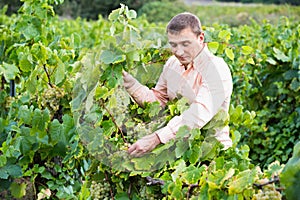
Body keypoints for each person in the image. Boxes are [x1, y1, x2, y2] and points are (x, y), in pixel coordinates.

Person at [123, 12, 233, 157]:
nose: (178, 52)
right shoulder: (172, 64)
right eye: (173, 45)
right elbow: (159, 101)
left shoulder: (217, 69)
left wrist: (157, 138)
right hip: (178, 152)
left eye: (185, 44)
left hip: (212, 155)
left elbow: (198, 113)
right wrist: (132, 85)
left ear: (200, 38)